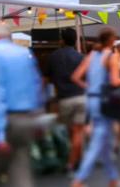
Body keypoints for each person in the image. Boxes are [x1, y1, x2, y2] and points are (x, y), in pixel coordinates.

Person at [0, 19, 44, 187]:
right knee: (20, 172)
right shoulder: (23, 53)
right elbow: (36, 86)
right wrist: (37, 118)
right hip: (25, 119)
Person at [70, 28, 120, 187]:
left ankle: (113, 178)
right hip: (104, 101)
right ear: (111, 41)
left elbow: (75, 77)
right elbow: (114, 82)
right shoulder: (110, 57)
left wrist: (88, 86)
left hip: (90, 99)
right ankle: (79, 179)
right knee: (98, 141)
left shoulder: (92, 55)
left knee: (105, 141)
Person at [43, 27, 87, 172]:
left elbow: (46, 80)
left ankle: (70, 161)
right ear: (75, 40)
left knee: (69, 132)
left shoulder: (53, 57)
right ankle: (76, 160)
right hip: (81, 96)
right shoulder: (80, 57)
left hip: (64, 99)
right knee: (78, 132)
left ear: (62, 40)